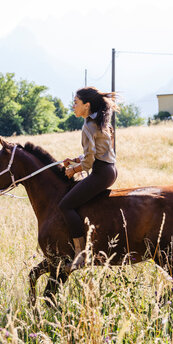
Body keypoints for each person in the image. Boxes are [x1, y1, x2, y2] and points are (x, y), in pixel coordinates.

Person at [59, 86, 118, 269]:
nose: (73, 106)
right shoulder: (99, 122)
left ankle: (80, 255)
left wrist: (74, 170)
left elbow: (91, 160)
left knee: (65, 205)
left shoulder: (88, 126)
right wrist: (76, 159)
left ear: (87, 105)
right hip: (110, 170)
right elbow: (96, 152)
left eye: (76, 103)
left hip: (100, 172)